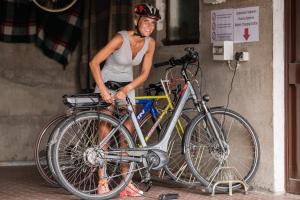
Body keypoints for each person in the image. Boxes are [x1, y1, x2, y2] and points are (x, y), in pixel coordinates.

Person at [89, 3, 161, 197]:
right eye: (146, 21)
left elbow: (144, 73)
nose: (149, 26)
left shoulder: (150, 43)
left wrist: (127, 89)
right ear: (136, 21)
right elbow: (94, 62)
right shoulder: (121, 38)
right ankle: (102, 181)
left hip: (127, 88)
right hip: (106, 85)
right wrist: (103, 91)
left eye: (153, 23)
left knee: (127, 135)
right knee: (104, 130)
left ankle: (125, 182)